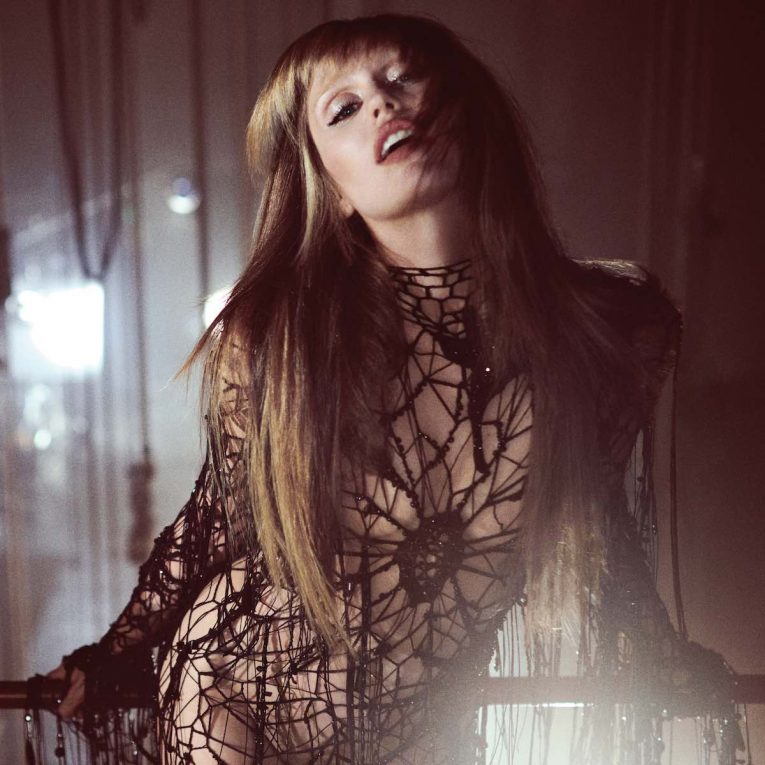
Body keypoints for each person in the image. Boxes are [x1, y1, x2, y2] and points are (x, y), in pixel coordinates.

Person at [48, 13, 734, 765]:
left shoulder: (613, 331)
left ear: (468, 106)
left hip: (426, 719)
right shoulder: (281, 336)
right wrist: (114, 651)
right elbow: (216, 521)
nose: (381, 102)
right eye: (343, 108)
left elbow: (595, 515)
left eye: (402, 77)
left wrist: (657, 649)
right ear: (329, 184)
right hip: (241, 696)